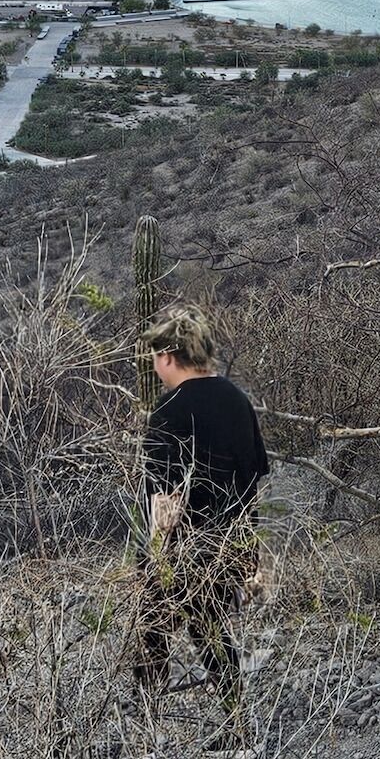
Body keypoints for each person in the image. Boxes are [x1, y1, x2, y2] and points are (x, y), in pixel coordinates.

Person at [135, 304, 269, 727]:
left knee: (151, 632)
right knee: (212, 632)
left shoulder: (168, 412)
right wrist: (249, 550)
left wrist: (153, 553)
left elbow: (163, 499)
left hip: (183, 546)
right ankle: (238, 724)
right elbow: (254, 475)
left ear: (167, 357)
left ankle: (147, 731)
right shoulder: (237, 399)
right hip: (230, 538)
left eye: (155, 356)